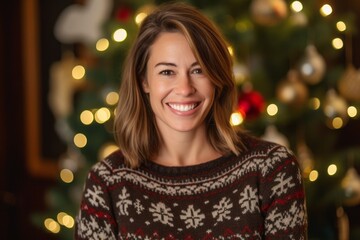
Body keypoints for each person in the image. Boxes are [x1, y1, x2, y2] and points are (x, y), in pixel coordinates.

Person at [75, 2, 307, 239]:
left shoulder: (272, 170)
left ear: (217, 78)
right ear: (144, 80)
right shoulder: (107, 183)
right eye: (167, 72)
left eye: (199, 70)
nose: (185, 88)